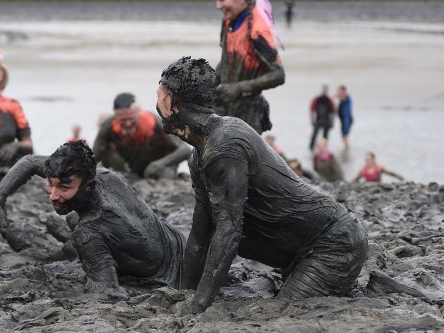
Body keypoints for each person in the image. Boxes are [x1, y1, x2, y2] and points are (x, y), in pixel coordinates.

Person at [156, 56, 367, 314]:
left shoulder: (225, 145)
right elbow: (200, 235)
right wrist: (184, 295)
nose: (156, 104)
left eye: (158, 96)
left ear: (169, 103)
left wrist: (199, 306)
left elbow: (229, 231)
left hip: (331, 244)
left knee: (282, 313)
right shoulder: (198, 155)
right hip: (295, 255)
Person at [0, 140, 184, 294]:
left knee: (73, 233)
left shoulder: (88, 233)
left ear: (88, 185)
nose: (54, 195)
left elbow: (107, 294)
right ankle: (63, 241)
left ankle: (62, 246)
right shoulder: (105, 176)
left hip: (170, 275)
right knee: (70, 220)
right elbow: (28, 161)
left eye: (64, 187)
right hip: (177, 243)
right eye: (50, 184)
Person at [210, 0, 285, 134]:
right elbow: (227, 61)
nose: (218, 5)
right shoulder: (229, 21)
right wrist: (209, 83)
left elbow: (278, 75)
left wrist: (237, 88)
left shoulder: (257, 30)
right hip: (223, 107)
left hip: (248, 114)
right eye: (216, 0)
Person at [93, 92, 191, 179]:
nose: (128, 124)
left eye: (131, 118)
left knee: (165, 173)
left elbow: (185, 150)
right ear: (116, 116)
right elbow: (94, 156)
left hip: (158, 168)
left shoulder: (156, 123)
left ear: (138, 113)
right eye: (123, 120)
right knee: (108, 154)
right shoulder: (108, 126)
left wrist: (161, 163)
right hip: (130, 170)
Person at [309, 85, 335, 151]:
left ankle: (324, 149)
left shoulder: (329, 100)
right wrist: (312, 120)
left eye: (326, 90)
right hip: (318, 120)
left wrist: (332, 122)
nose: (324, 91)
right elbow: (312, 110)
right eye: (324, 90)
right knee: (314, 136)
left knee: (325, 137)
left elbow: (332, 112)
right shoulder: (317, 99)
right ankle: (311, 149)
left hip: (326, 121)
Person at [337, 85, 353, 150]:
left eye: (340, 91)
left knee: (345, 135)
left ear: (344, 91)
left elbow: (344, 98)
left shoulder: (346, 98)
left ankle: (347, 147)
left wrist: (344, 123)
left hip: (347, 120)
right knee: (343, 135)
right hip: (343, 120)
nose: (338, 92)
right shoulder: (342, 98)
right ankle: (346, 147)